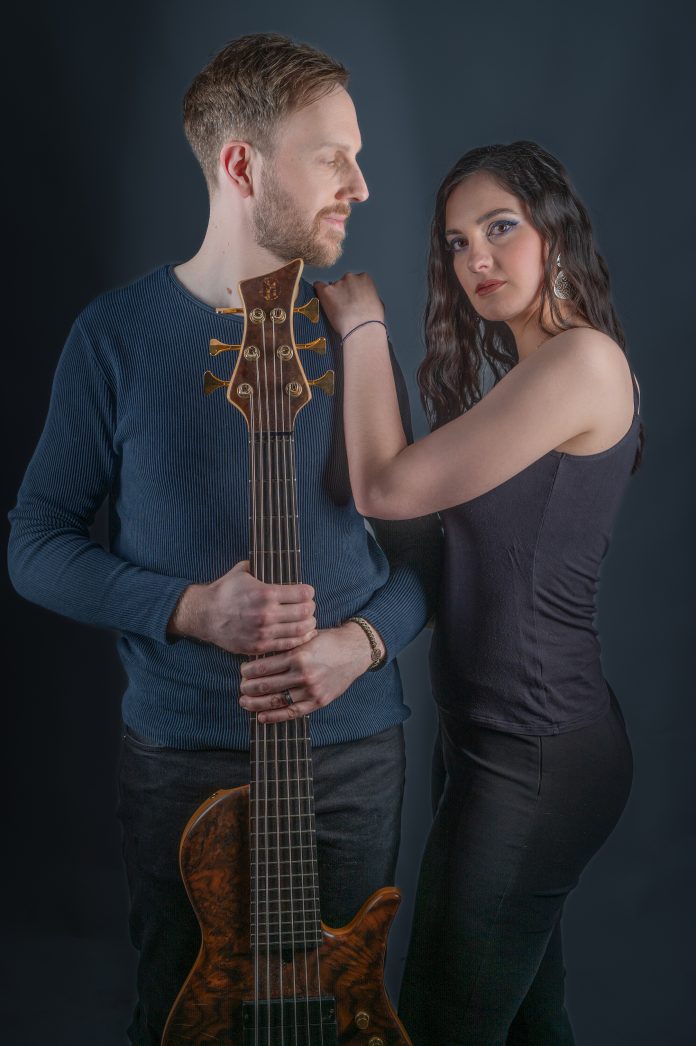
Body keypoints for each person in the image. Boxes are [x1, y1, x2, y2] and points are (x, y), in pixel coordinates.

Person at [7, 33, 439, 1044]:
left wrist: (358, 645)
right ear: (242, 165)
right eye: (332, 158)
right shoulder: (114, 338)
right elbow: (34, 542)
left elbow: (425, 554)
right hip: (182, 760)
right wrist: (191, 607)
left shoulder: (351, 333)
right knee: (180, 1014)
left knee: (336, 1020)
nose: (361, 187)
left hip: (351, 754)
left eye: (359, 157)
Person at [316, 140, 641, 1046]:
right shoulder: (522, 379)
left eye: (500, 229)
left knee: (437, 1027)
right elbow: (422, 532)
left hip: (537, 755)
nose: (476, 260)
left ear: (555, 231)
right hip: (486, 739)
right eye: (457, 243)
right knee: (532, 1024)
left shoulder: (582, 364)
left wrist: (363, 329)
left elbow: (388, 489)